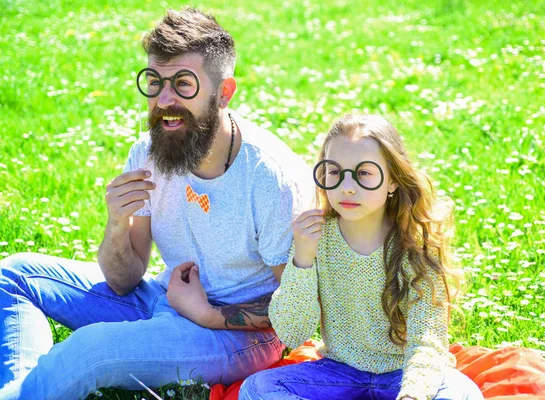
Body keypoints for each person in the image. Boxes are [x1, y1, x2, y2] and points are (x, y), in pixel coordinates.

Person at [0, 7, 312, 399]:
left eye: (183, 84)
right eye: (154, 81)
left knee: (89, 350)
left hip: (231, 338)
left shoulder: (270, 177)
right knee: (14, 275)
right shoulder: (150, 153)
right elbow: (123, 280)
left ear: (224, 93)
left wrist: (207, 314)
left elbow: (300, 312)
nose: (164, 100)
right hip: (163, 298)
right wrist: (117, 224)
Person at [239, 114, 484, 400]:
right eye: (335, 172)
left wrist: (413, 395)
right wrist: (303, 259)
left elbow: (427, 341)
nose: (347, 187)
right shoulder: (317, 238)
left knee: (464, 393)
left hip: (402, 373)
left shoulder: (415, 246)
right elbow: (292, 333)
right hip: (338, 372)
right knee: (257, 390)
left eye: (364, 173)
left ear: (393, 180)